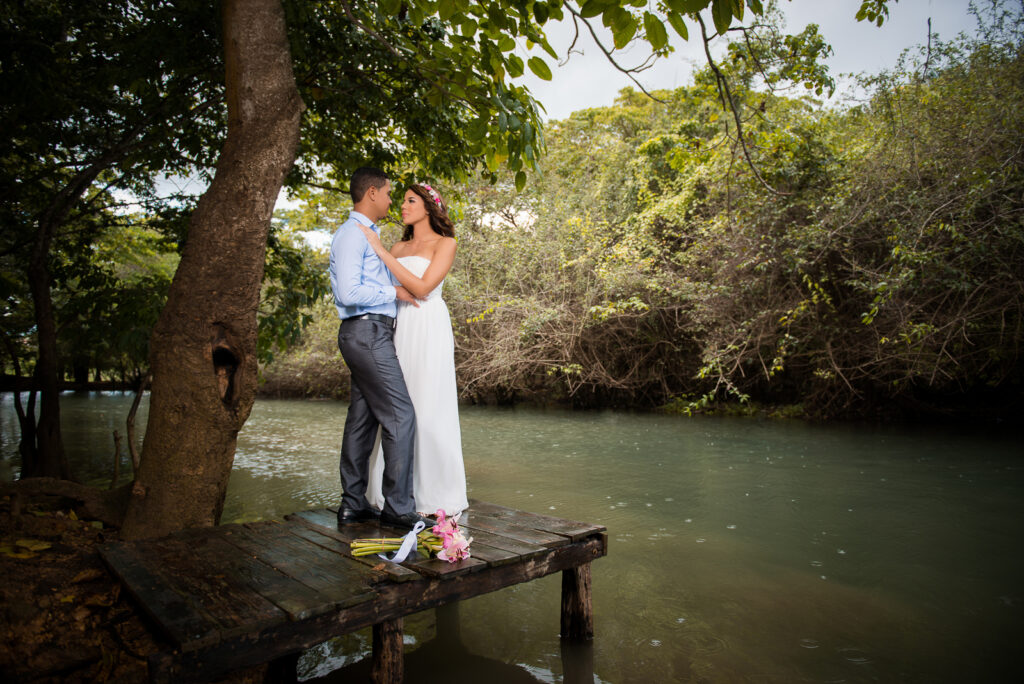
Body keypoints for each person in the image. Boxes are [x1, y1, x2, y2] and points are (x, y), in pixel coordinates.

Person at [356, 182, 469, 519]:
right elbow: (379, 288)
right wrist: (387, 259)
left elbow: (421, 288)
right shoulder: (398, 245)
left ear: (429, 207)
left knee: (429, 405)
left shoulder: (445, 243)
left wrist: (380, 251)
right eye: (402, 200)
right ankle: (393, 493)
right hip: (398, 325)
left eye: (410, 200)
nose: (403, 206)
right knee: (396, 408)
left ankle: (435, 493)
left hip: (429, 325)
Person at [328, 167, 429, 530]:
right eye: (388, 194)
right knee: (401, 416)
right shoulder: (353, 235)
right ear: (371, 193)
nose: (391, 201)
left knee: (362, 419)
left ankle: (353, 505)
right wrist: (394, 293)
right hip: (367, 331)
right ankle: (398, 508)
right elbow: (348, 294)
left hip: (369, 333)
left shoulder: (367, 235)